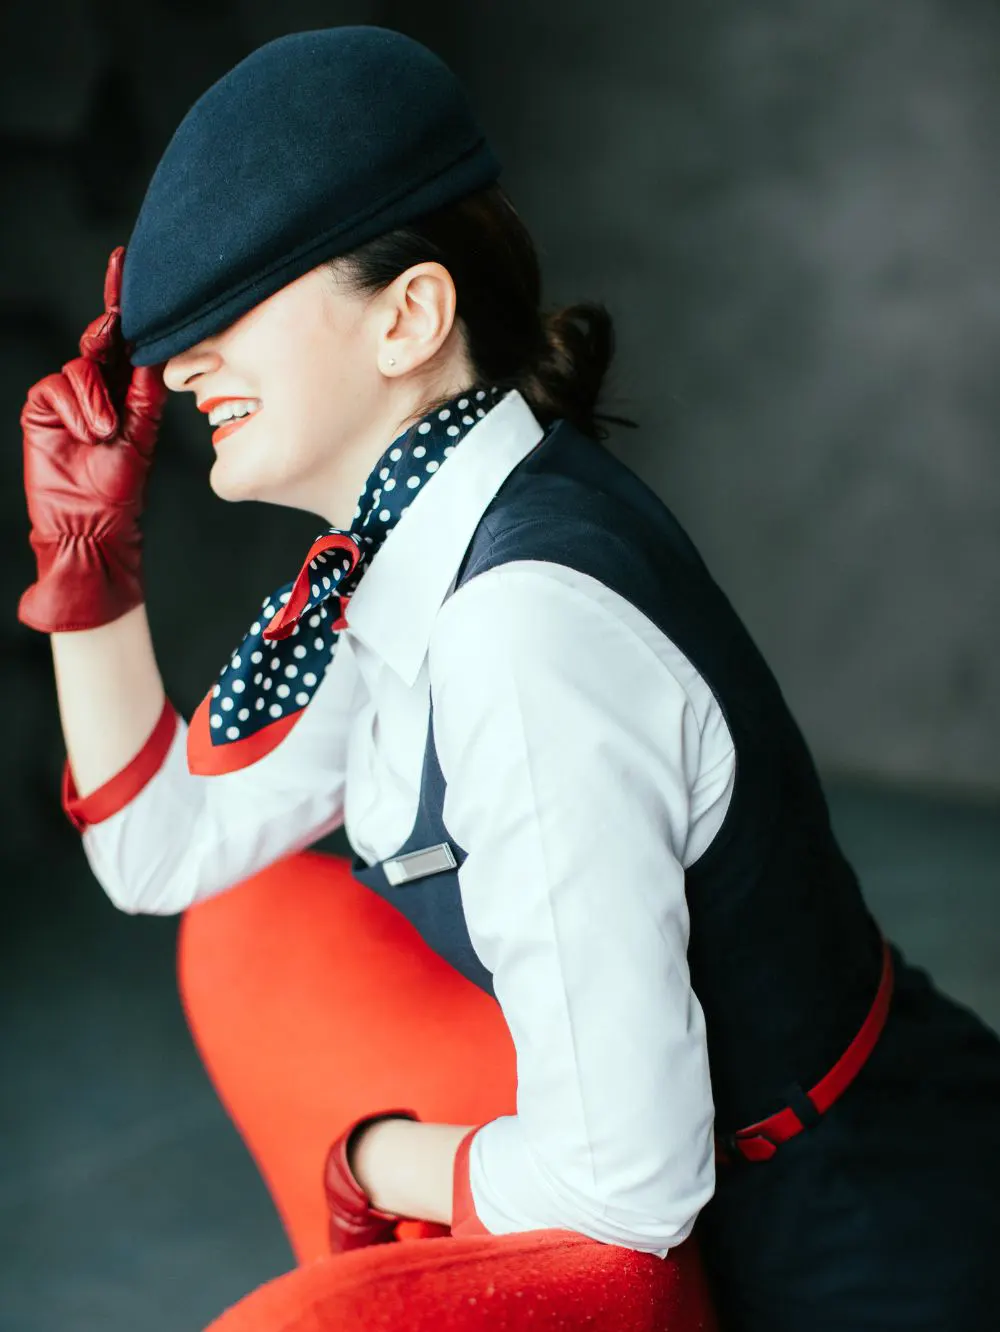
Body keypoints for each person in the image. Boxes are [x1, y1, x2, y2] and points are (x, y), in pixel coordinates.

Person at [16, 24, 1000, 1332]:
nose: (179, 368)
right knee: (257, 921)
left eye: (230, 314)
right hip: (775, 1178)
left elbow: (626, 1186)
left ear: (411, 318)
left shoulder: (518, 635)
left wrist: (376, 1159)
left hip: (855, 1245)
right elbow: (163, 855)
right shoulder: (404, 552)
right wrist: (90, 576)